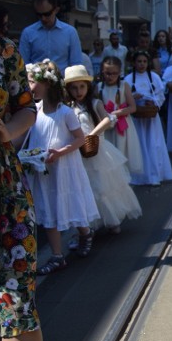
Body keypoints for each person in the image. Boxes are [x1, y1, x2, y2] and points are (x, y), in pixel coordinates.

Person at [0, 4, 44, 341]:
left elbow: (26, 106)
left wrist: (9, 130)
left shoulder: (5, 51)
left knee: (17, 297)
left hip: (3, 189)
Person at [24, 60, 99, 274]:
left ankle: (85, 232)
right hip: (42, 170)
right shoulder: (34, 109)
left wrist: (60, 152)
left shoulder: (64, 112)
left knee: (70, 203)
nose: (27, 86)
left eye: (30, 81)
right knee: (47, 209)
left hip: (63, 169)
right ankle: (57, 256)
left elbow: (80, 139)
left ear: (46, 83)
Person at [63, 65, 141, 235]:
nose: (78, 91)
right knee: (85, 188)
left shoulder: (95, 103)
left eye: (82, 86)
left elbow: (107, 120)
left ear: (88, 86)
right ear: (68, 89)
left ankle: (112, 219)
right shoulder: (67, 107)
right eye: (74, 88)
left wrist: (92, 135)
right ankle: (89, 224)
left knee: (102, 185)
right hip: (78, 153)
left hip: (96, 149)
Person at [127, 51, 172, 186]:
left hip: (151, 118)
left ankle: (155, 175)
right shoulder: (128, 79)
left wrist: (154, 102)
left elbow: (161, 96)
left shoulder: (154, 77)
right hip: (137, 119)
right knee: (139, 145)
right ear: (134, 63)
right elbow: (124, 97)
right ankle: (140, 176)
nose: (141, 64)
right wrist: (133, 98)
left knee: (154, 144)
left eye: (144, 62)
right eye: (139, 61)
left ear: (148, 63)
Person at [96, 56, 143, 183]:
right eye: (107, 73)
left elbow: (133, 107)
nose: (110, 76)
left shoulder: (123, 86)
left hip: (121, 126)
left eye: (114, 73)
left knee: (121, 151)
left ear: (119, 73)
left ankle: (123, 181)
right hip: (106, 126)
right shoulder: (99, 87)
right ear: (102, 72)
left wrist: (117, 113)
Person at [19, 0, 83, 69]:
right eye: (39, 15)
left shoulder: (70, 32)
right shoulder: (28, 33)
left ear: (56, 10)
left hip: (63, 79)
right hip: (36, 79)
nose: (43, 18)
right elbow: (23, 64)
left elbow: (76, 64)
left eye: (47, 14)